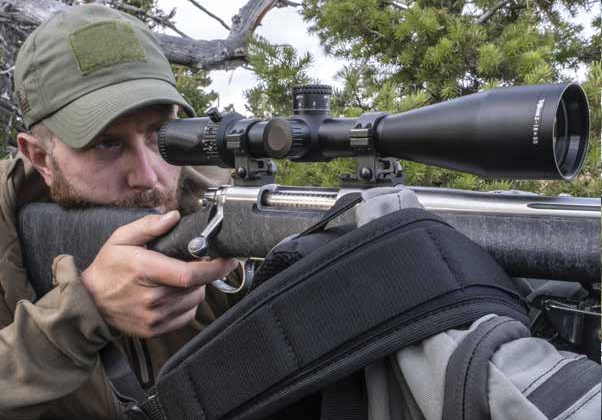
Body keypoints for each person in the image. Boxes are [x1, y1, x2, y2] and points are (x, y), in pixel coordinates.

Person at [0, 5, 239, 419]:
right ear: (40, 157)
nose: (148, 176)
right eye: (107, 144)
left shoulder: (218, 202)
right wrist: (81, 314)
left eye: (159, 135)